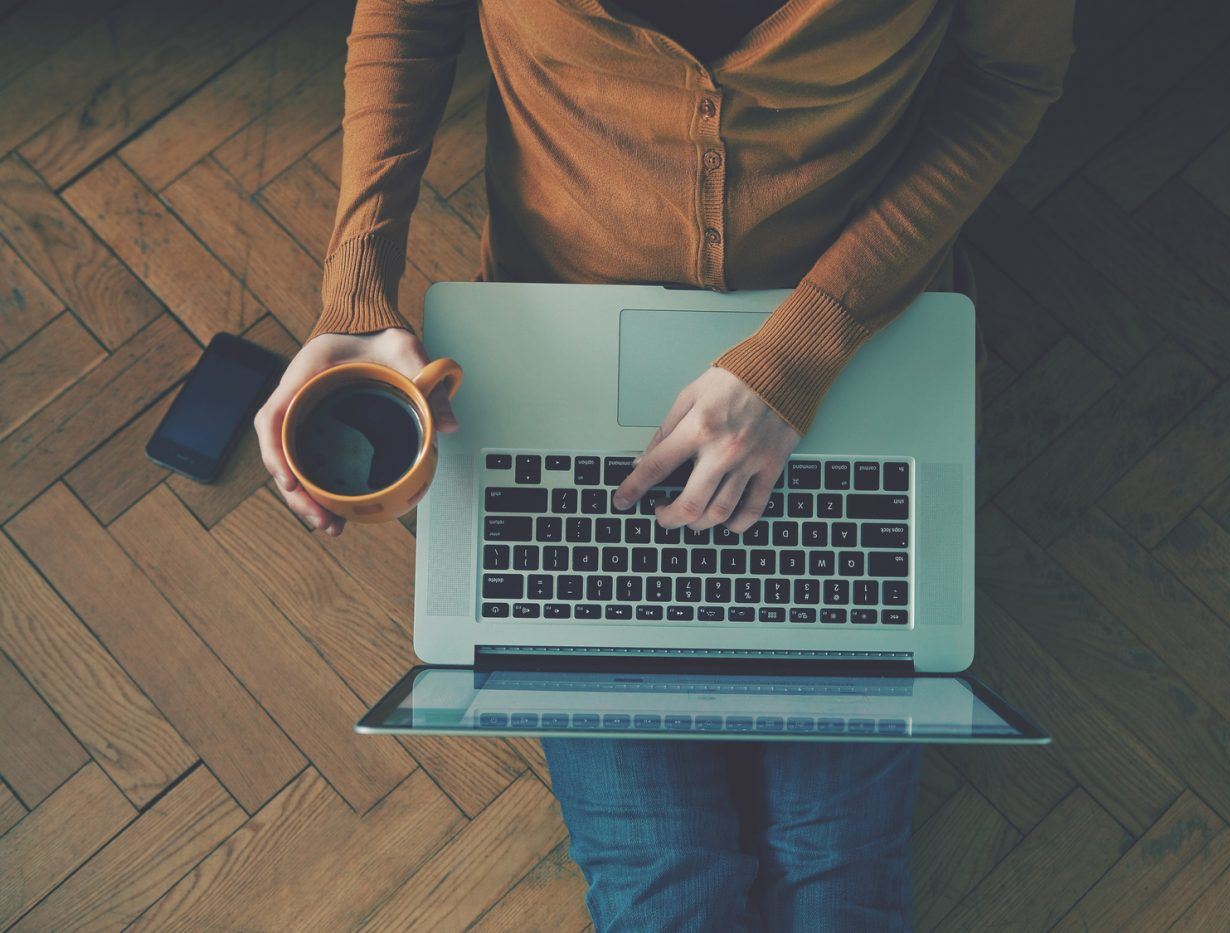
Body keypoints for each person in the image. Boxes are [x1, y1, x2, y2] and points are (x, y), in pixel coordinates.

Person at [255, 1, 1073, 928]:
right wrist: (354, 290)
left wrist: (800, 352)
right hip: (560, 340)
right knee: (666, 874)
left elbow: (1007, 78)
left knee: (834, 868)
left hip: (856, 340)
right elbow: (407, 18)